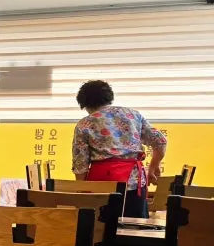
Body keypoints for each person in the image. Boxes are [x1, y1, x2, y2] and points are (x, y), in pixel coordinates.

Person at [72, 80, 167, 218]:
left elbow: (80, 164)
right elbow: (160, 141)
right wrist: (153, 167)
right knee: (135, 227)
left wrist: (81, 192)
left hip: (101, 187)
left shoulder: (84, 124)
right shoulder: (133, 115)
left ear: (84, 104)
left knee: (102, 227)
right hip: (134, 182)